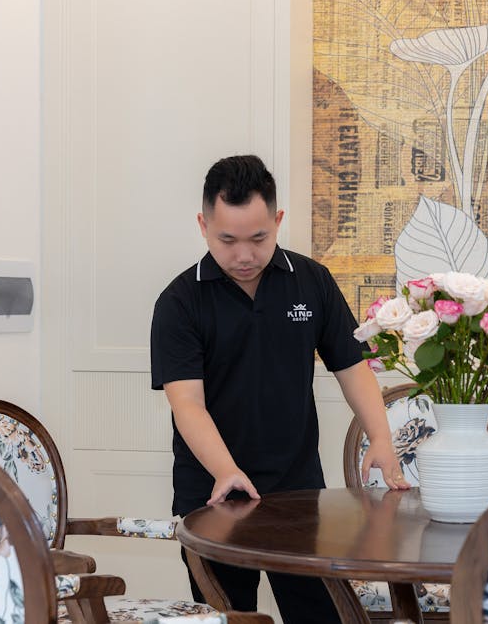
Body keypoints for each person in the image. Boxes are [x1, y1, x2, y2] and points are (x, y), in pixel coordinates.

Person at [150, 154, 407, 623]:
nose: (244, 256)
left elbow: (352, 367)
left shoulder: (311, 282)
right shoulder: (180, 302)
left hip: (298, 494)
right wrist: (226, 471)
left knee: (319, 615)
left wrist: (382, 437)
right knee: (231, 617)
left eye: (258, 238)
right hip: (213, 496)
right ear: (204, 226)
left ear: (278, 221)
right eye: (227, 240)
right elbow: (187, 404)